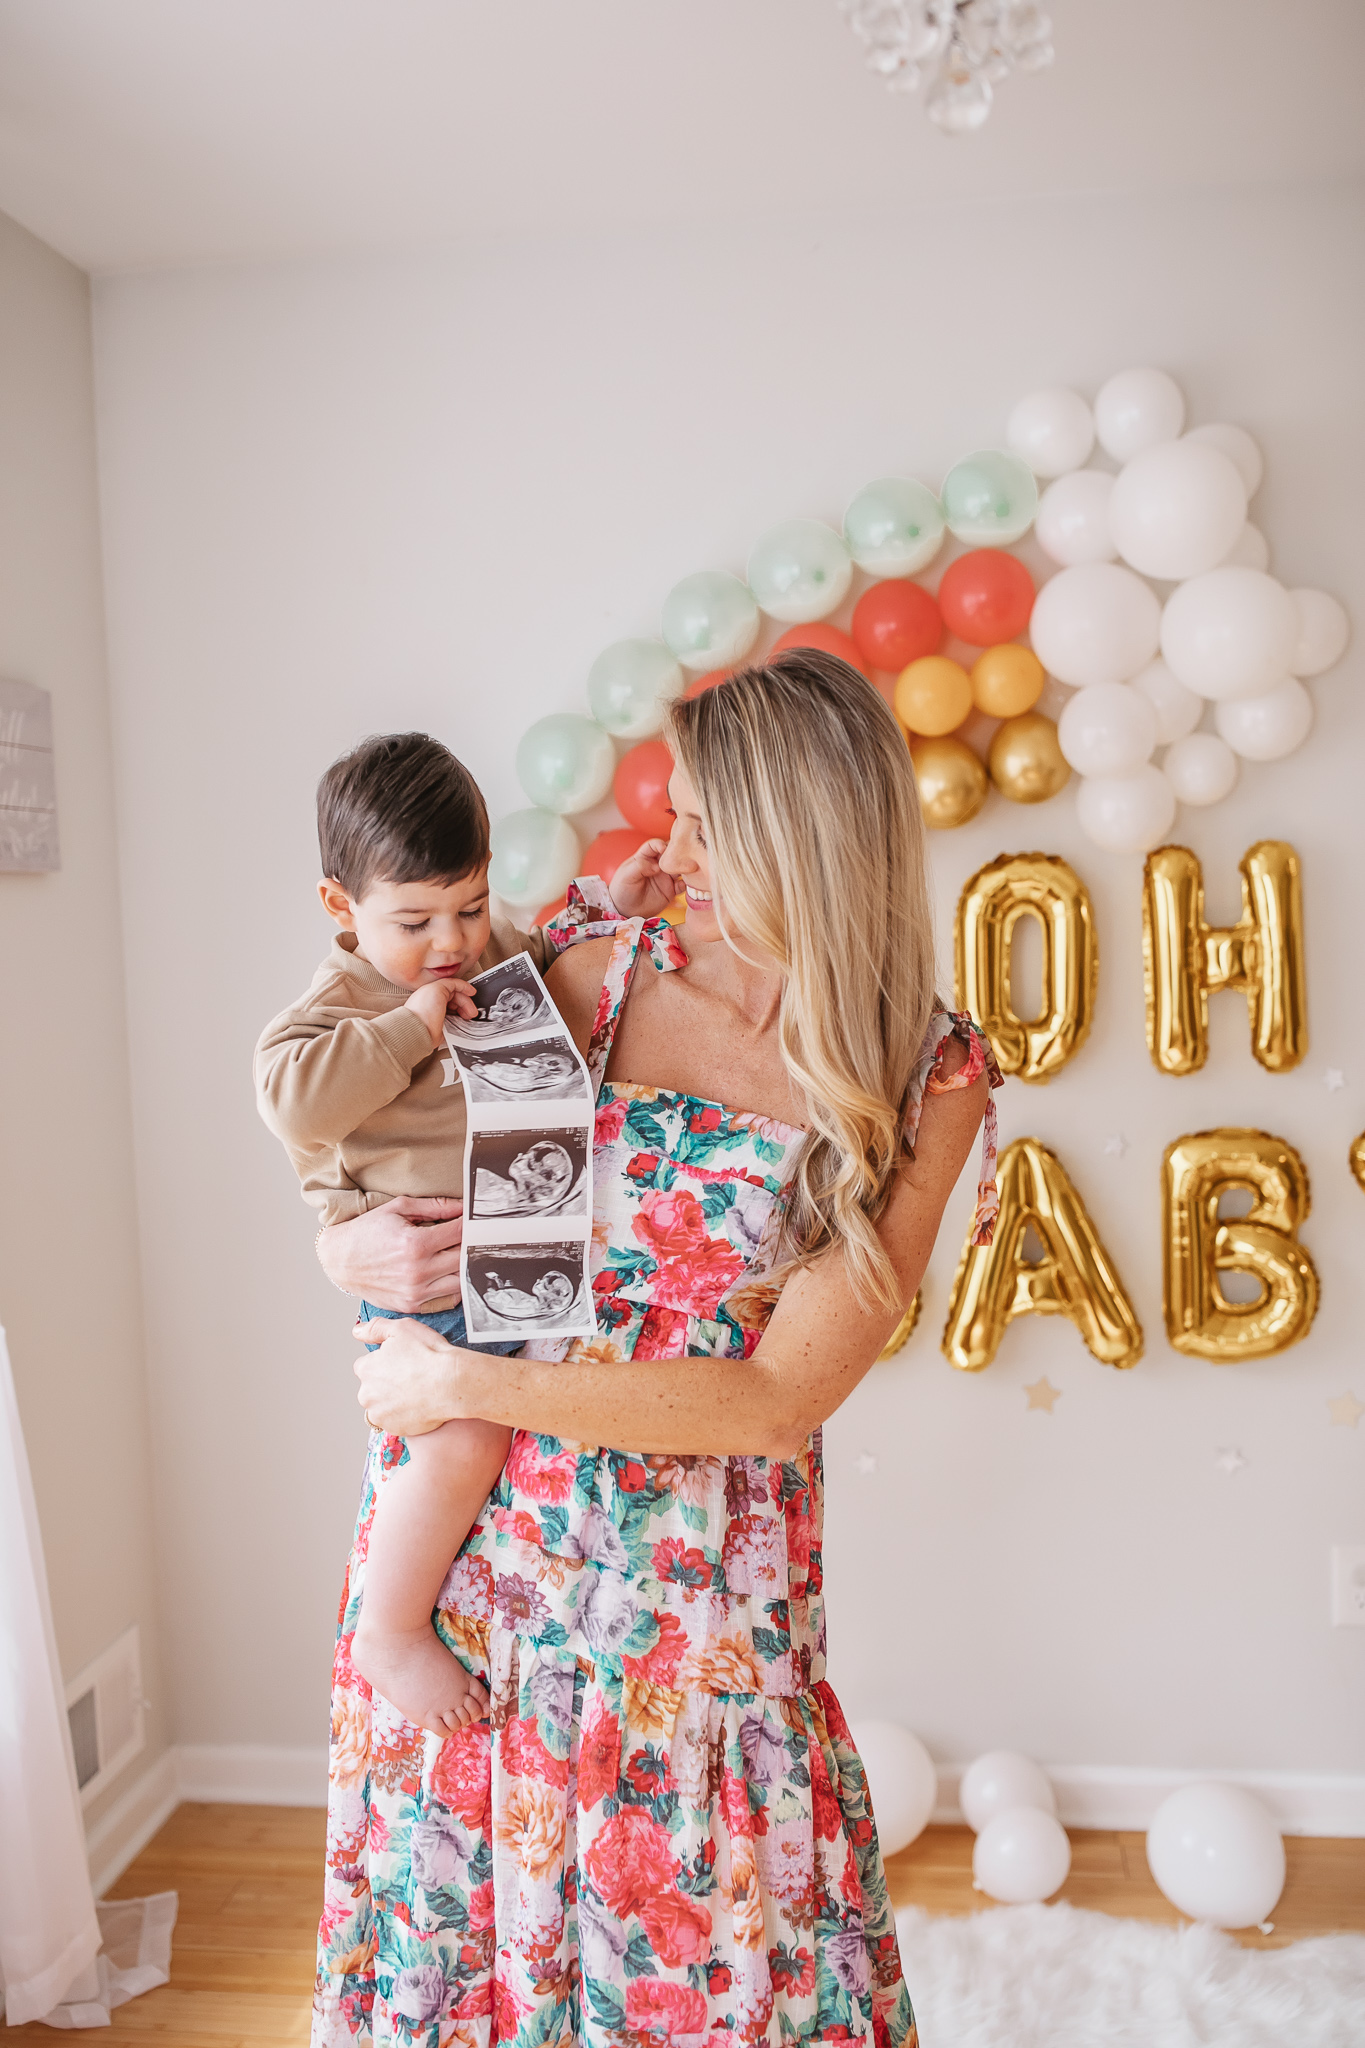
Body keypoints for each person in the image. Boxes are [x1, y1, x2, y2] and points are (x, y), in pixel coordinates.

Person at [310, 653, 1001, 2048]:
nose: (660, 847)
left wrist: (466, 1386)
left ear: (785, 835)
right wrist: (346, 1249)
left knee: (721, 1972)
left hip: (704, 1610)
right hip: (493, 1569)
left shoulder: (924, 1073)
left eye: (694, 821)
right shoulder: (578, 971)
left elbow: (774, 1399)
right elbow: (385, 1146)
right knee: (474, 1963)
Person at [254, 731, 600, 1738]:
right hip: (429, 1285)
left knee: (519, 1443)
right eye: (415, 919)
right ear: (340, 907)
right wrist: (412, 1022)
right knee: (466, 1440)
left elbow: (542, 967)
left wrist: (609, 894)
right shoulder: (329, 1016)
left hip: (511, 1264)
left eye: (471, 904)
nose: (452, 941)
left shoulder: (482, 953)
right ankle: (390, 1628)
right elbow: (295, 1103)